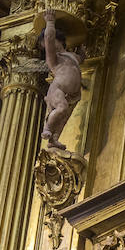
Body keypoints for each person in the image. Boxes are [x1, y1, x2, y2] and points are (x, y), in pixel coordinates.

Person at [41, 9, 83, 149]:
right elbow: (48, 38)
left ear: (60, 41)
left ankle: (55, 139)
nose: (48, 46)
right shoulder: (54, 60)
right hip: (58, 89)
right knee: (61, 108)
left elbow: (81, 58)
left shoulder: (72, 57)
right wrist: (50, 22)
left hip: (74, 95)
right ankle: (47, 128)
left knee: (64, 118)